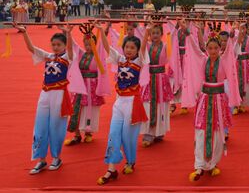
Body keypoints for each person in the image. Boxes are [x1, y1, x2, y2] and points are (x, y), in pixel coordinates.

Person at [13, 22, 84, 174]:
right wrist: (25, 32)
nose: (55, 47)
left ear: (64, 45)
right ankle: (41, 159)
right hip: (44, 94)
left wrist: (68, 34)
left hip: (59, 94)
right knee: (40, 126)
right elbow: (31, 49)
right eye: (53, 44)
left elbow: (71, 50)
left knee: (56, 126)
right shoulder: (48, 56)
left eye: (58, 44)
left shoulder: (68, 57)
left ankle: (56, 158)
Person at [182, 22, 241, 182]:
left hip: (219, 100)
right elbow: (194, 47)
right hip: (205, 100)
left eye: (216, 48)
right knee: (201, 132)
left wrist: (233, 33)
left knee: (216, 132)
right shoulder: (203, 59)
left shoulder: (224, 60)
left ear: (220, 49)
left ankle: (213, 163)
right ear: (207, 49)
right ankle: (199, 165)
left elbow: (230, 49)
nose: (213, 51)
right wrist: (187, 31)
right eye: (211, 48)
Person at [96, 26, 148, 185]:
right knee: (113, 134)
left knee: (128, 137)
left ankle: (130, 161)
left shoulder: (139, 61)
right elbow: (106, 48)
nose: (129, 50)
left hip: (133, 103)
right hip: (119, 103)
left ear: (138, 50)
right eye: (127, 47)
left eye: (133, 47)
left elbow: (144, 46)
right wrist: (100, 30)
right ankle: (111, 169)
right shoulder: (119, 59)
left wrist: (147, 31)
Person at [64, 25, 110, 146]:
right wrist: (68, 33)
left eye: (90, 44)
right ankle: (77, 134)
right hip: (81, 86)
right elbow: (72, 45)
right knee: (77, 109)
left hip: (92, 86)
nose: (88, 47)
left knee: (91, 109)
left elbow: (103, 46)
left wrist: (104, 29)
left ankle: (89, 133)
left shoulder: (98, 55)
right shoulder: (81, 54)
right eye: (86, 44)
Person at [140, 24, 177, 146]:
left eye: (157, 33)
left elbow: (172, 39)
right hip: (149, 79)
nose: (155, 35)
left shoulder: (166, 46)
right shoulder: (148, 46)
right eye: (153, 33)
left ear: (161, 34)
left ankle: (159, 131)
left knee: (161, 105)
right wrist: (146, 32)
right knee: (148, 105)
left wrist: (176, 27)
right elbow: (142, 48)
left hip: (161, 79)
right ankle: (149, 133)